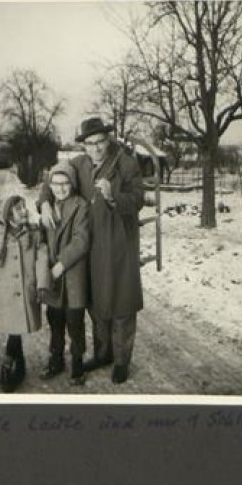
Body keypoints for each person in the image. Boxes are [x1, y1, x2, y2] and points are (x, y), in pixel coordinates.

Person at [38, 117, 145, 384]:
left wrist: (112, 196)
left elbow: (139, 200)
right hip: (90, 247)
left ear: (108, 140)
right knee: (96, 304)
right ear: (84, 146)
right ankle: (102, 354)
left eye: (100, 142)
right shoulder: (79, 164)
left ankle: (121, 360)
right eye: (90, 144)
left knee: (121, 304)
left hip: (119, 245)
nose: (96, 148)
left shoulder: (126, 164)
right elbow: (53, 178)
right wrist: (44, 203)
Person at [38, 163, 93, 385]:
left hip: (72, 274)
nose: (60, 188)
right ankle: (56, 358)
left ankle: (77, 360)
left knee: (75, 320)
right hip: (52, 273)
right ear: (49, 185)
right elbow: (41, 236)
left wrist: (61, 264)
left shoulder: (80, 206)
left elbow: (82, 240)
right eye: (56, 184)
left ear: (72, 183)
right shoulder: (47, 205)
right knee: (55, 318)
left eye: (65, 183)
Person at [0, 194, 44, 392]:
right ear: (8, 215)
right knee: (14, 330)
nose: (24, 211)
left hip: (26, 288)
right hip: (7, 293)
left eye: (24, 207)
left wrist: (42, 284)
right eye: (18, 208)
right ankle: (12, 367)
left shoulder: (33, 234)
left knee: (16, 330)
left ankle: (14, 366)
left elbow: (41, 259)